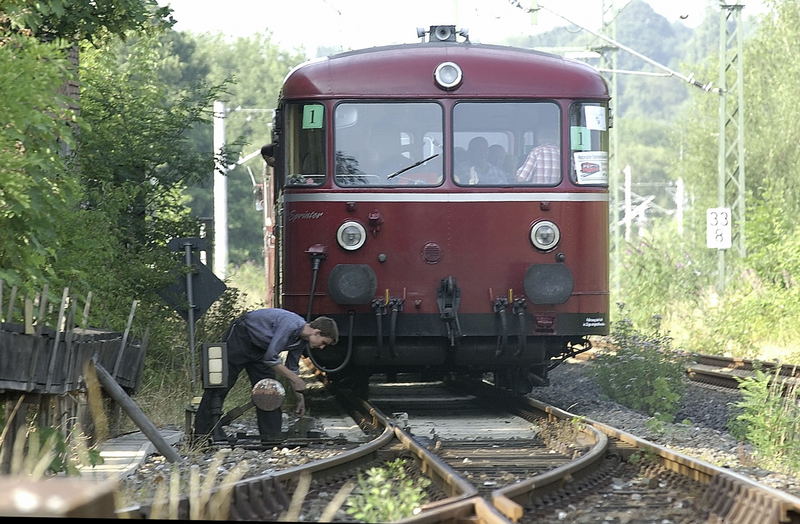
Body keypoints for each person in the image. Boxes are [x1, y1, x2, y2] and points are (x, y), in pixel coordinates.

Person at [193, 308, 339, 443]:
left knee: (269, 391)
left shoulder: (301, 340)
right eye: (323, 343)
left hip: (262, 349)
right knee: (220, 385)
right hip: (242, 337)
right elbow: (271, 358)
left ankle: (271, 437)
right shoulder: (291, 325)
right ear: (317, 332)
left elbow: (292, 367)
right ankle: (202, 435)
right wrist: (295, 379)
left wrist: (300, 398)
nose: (322, 347)